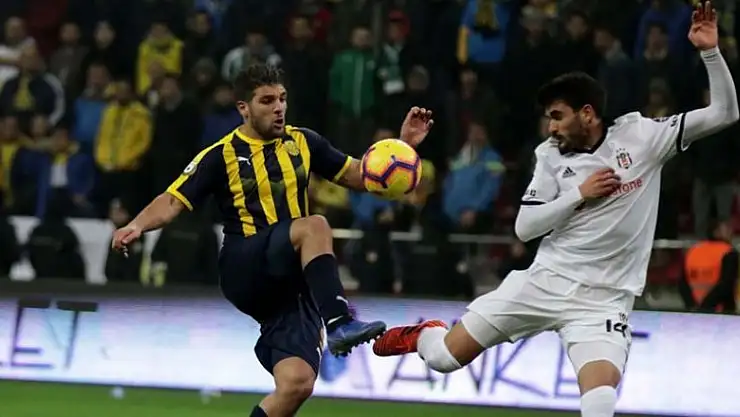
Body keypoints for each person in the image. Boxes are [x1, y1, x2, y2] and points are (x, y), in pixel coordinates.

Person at [372, 4, 738, 417]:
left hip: (603, 301)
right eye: (549, 118)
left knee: (600, 402)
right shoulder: (548, 156)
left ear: (588, 114)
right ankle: (427, 333)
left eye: (558, 117)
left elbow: (725, 113)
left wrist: (710, 52)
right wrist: (578, 194)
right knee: (442, 358)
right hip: (543, 282)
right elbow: (525, 228)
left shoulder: (642, 137)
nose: (551, 127)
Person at [111, 63, 433, 417]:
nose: (278, 108)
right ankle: (340, 322)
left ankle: (329, 327)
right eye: (267, 101)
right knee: (315, 226)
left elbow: (361, 175)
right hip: (246, 263)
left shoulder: (305, 142)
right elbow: (173, 200)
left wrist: (402, 148)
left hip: (288, 285)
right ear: (243, 108)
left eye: (282, 99)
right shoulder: (222, 154)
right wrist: (136, 225)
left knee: (297, 384)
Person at [680, 220, 738, 313]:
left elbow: (682, 283)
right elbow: (726, 285)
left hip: (694, 309)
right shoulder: (728, 252)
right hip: (721, 310)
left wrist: (691, 305)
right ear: (716, 232)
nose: (731, 232)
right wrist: (705, 307)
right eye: (727, 229)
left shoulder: (693, 250)